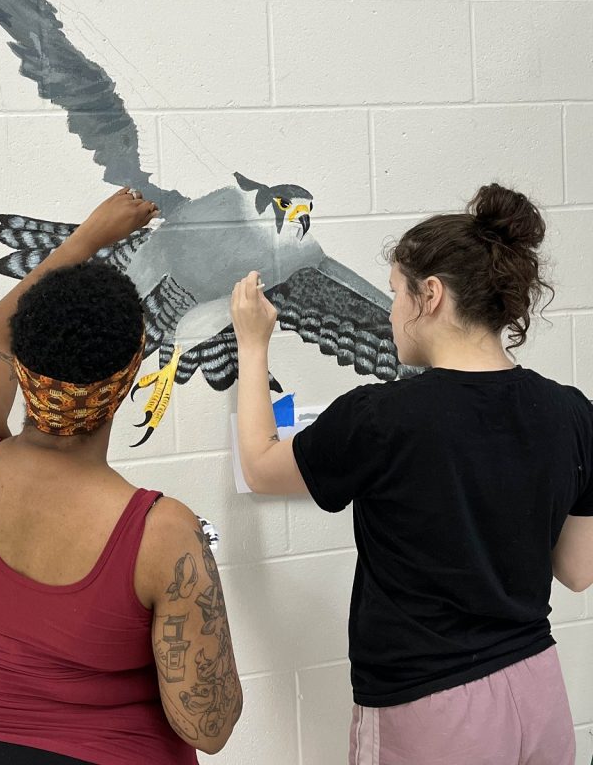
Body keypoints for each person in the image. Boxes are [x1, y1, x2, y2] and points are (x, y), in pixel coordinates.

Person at [230, 182, 593, 765]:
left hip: (432, 709)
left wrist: (253, 343)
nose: (391, 309)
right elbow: (577, 571)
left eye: (396, 292)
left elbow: (261, 466)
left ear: (431, 295)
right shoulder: (573, 411)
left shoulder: (384, 415)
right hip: (539, 694)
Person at [0, 188, 242, 765]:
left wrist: (87, 238)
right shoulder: (163, 531)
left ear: (20, 366)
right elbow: (206, 726)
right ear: (132, 370)